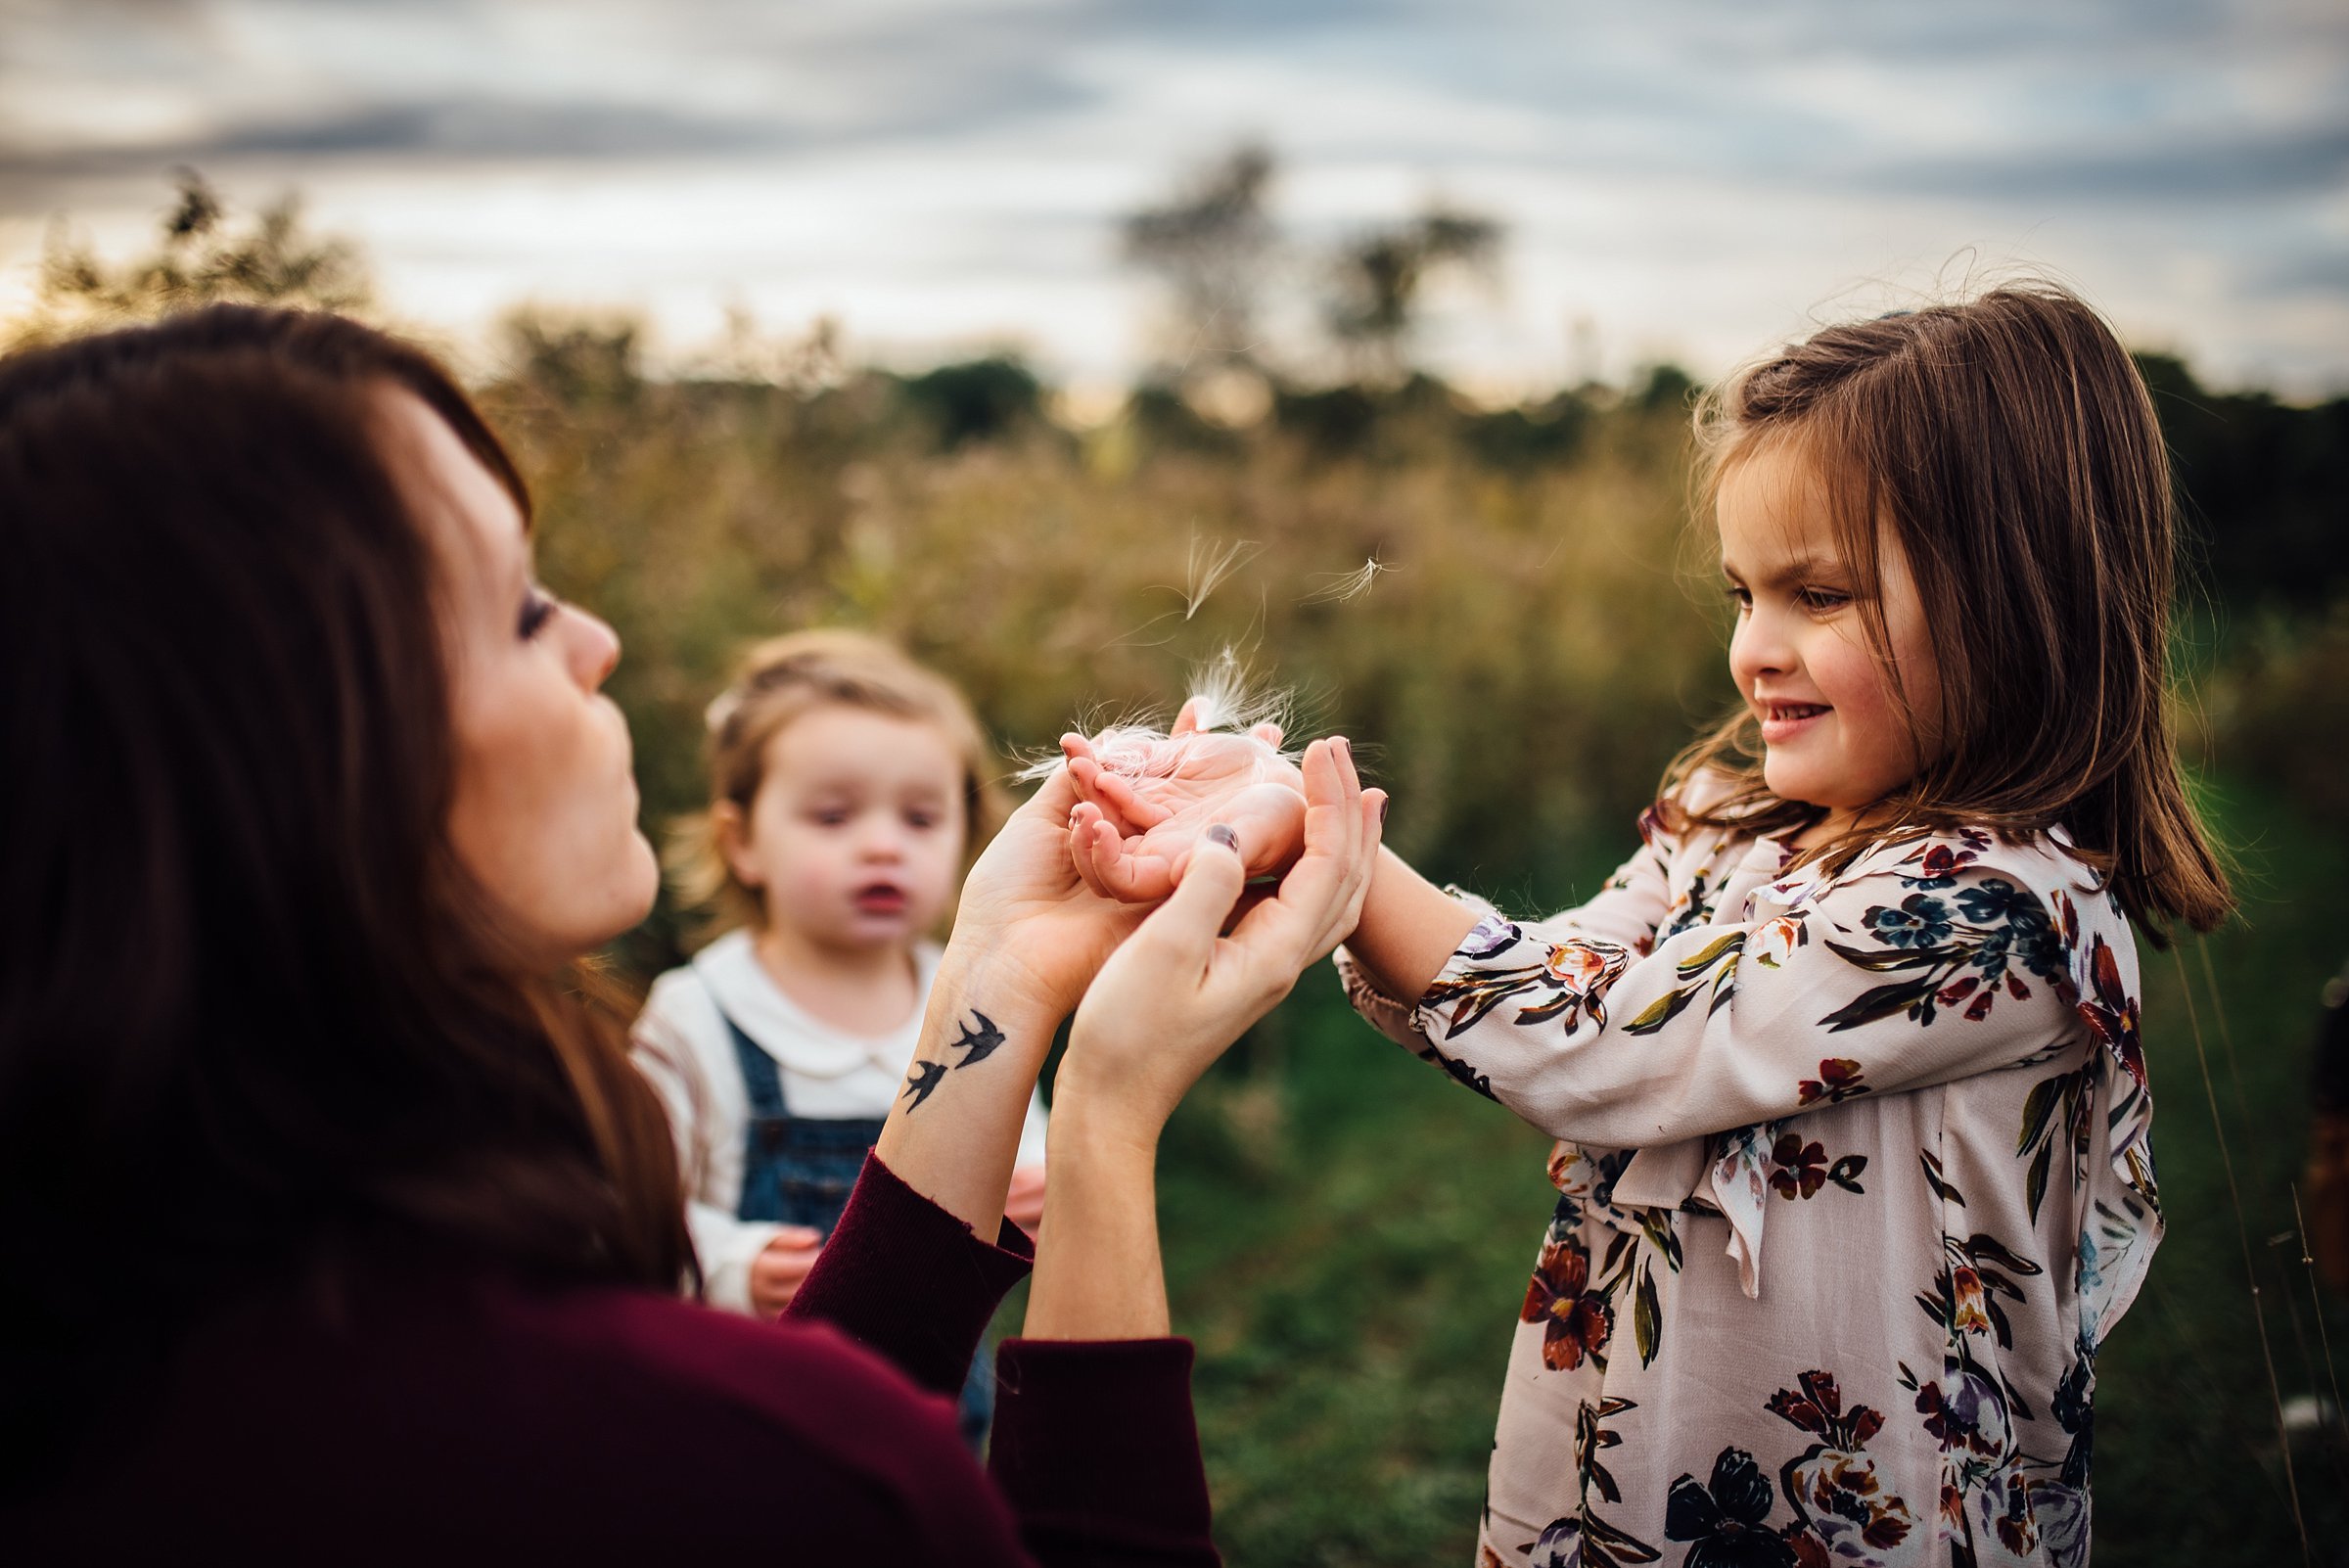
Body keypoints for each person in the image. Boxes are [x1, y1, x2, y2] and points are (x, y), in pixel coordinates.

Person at [0, 303, 1387, 1563]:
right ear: (291, 749)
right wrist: (1107, 1112)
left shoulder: (153, 1341)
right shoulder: (669, 1454)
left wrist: (1001, 976)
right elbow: (822, 1471)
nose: (593, 639)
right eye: (519, 608)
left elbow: (811, 1443)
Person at [1063, 284, 2233, 1566]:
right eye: (1744, 593)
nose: (1755, 650)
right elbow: (1565, 969)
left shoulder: (1994, 914)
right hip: (1640, 1471)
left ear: (2021, 600)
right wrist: (1283, 831)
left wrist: (1328, 847)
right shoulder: (1731, 822)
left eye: (1819, 595)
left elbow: (1618, 1039)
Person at [632, 629, 1048, 1446]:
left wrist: (1027, 1192)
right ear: (742, 841)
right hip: (742, 1425)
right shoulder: (699, 1015)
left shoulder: (976, 998)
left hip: (928, 1425)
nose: (884, 843)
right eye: (833, 815)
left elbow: (1026, 1145)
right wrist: (728, 1265)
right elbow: (632, 1214)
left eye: (922, 817)